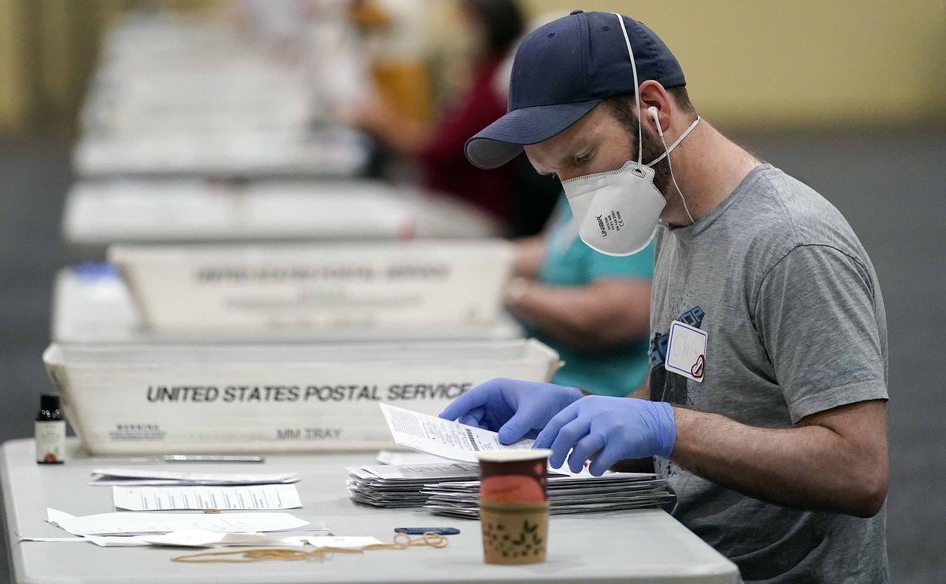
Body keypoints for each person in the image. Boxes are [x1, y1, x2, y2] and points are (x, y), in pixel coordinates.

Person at [439, 11, 889, 582]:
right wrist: (570, 411)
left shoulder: (790, 244)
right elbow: (686, 397)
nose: (581, 192)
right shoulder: (675, 222)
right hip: (683, 548)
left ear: (652, 107)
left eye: (582, 158)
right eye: (557, 176)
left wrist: (665, 428)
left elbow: (859, 470)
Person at [351, 0, 546, 231]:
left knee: (370, 222)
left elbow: (441, 150)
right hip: (448, 203)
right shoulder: (480, 77)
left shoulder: (496, 85)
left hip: (471, 212)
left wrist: (386, 123)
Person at [506, 196, 652, 396]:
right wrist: (486, 261)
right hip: (547, 373)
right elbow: (554, 253)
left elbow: (618, 314)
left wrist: (518, 294)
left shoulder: (624, 201)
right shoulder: (581, 189)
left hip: (591, 390)